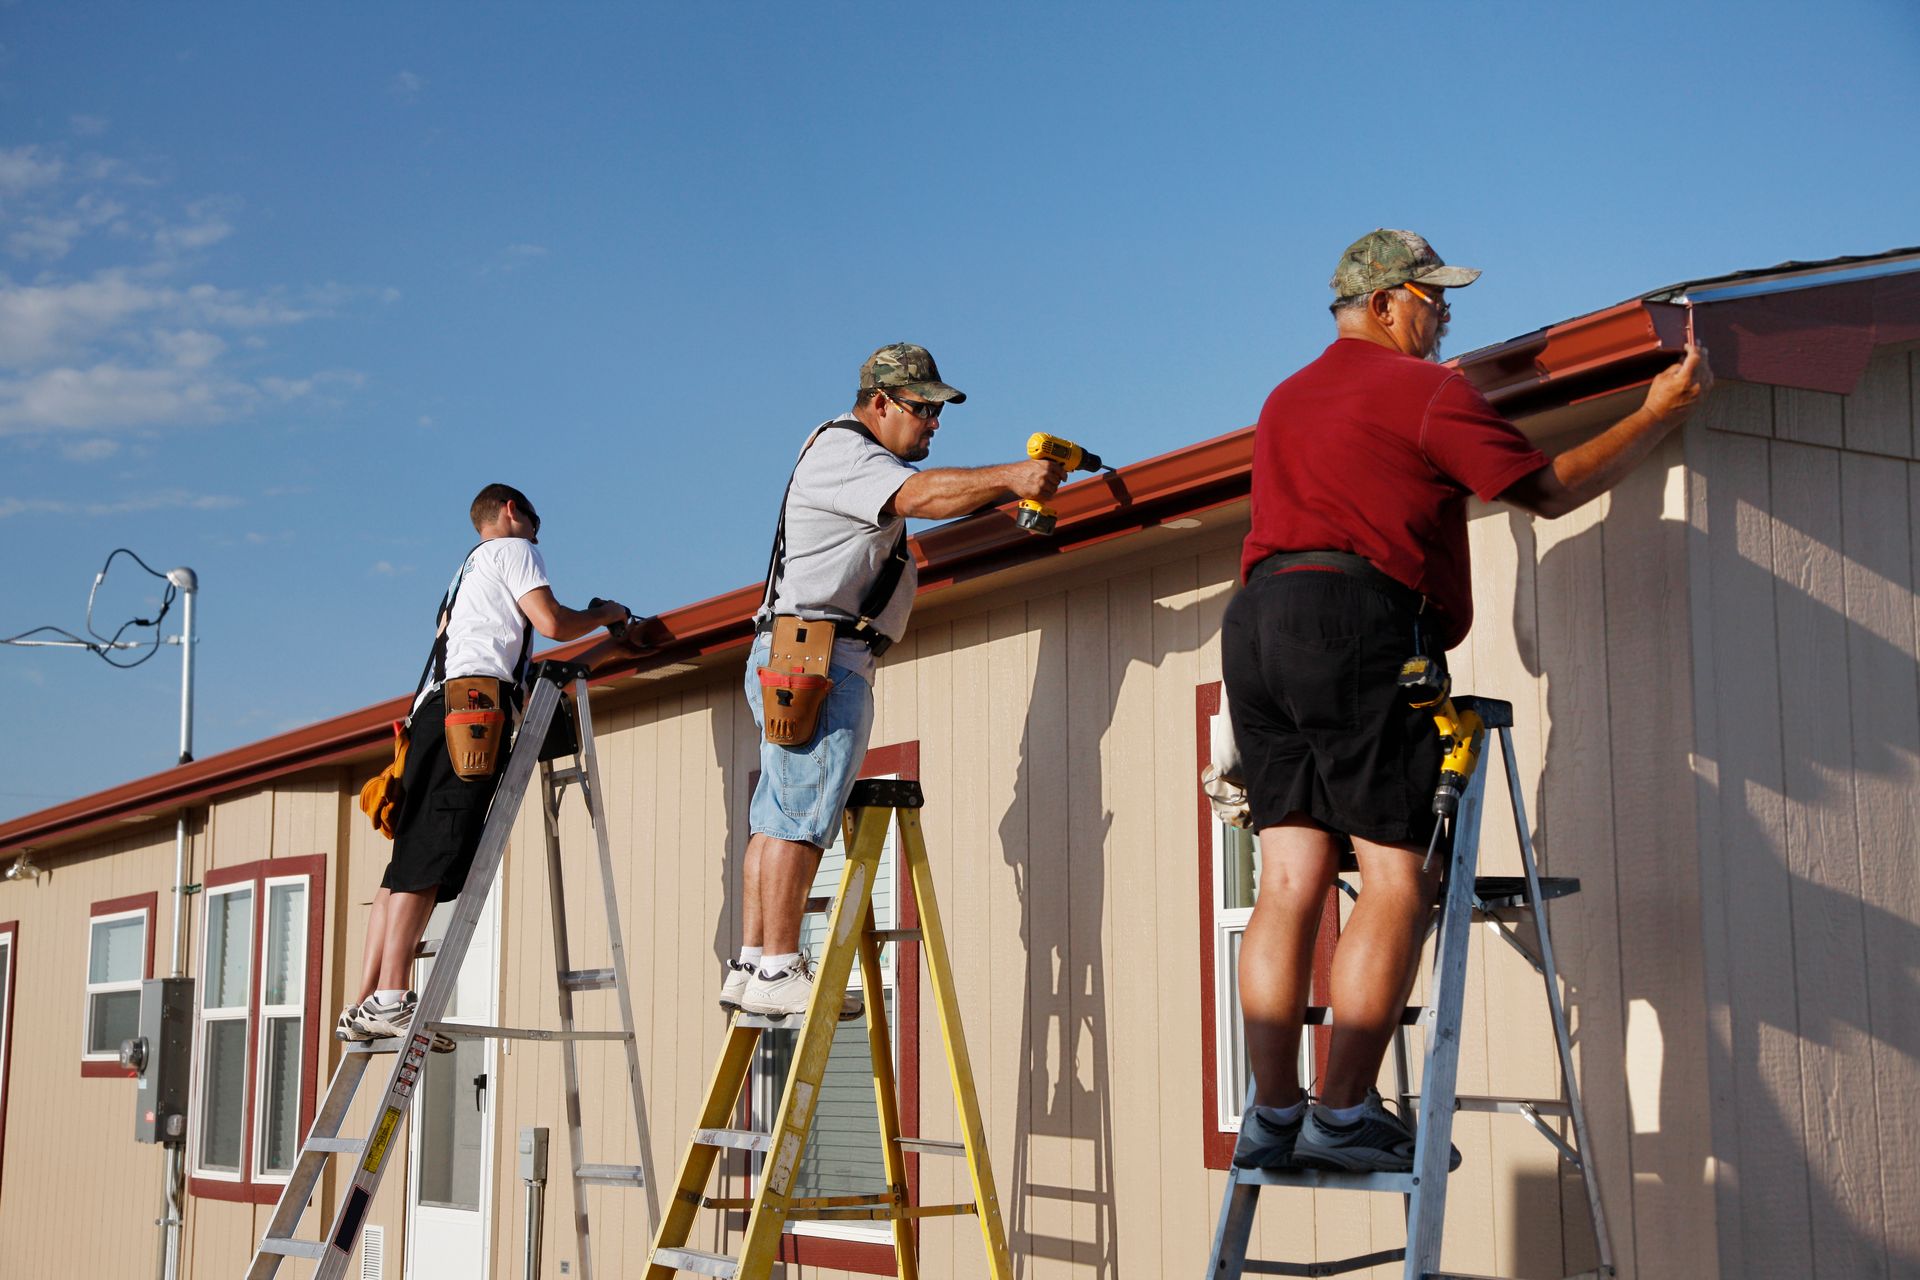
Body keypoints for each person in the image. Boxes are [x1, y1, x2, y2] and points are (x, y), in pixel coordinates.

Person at [1222, 229, 1712, 1171]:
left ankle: (1273, 1113)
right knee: (1401, 876)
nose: (1445, 316)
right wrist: (1656, 412)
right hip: (1355, 623)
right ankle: (1342, 1114)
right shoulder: (1425, 391)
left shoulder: (1284, 399)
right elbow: (1547, 489)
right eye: (1431, 298)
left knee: (1287, 883)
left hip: (1258, 626)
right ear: (1382, 304)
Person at [722, 343, 1065, 1019]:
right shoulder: (848, 452)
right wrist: (1018, 478)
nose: (933, 423)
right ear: (878, 402)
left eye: (938, 411)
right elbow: (924, 495)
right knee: (798, 820)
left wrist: (1003, 486)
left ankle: (753, 962)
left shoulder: (844, 455)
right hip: (821, 654)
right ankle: (778, 966)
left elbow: (924, 496)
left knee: (776, 819)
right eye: (922, 408)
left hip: (798, 650)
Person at [339, 483, 633, 1045]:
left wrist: (608, 647)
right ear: (510, 511)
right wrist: (604, 614)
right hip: (471, 716)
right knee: (431, 858)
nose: (537, 539)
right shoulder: (512, 549)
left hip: (434, 715)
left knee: (404, 867)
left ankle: (362, 1004)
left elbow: (527, 657)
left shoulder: (464, 577)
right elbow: (550, 622)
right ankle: (394, 998)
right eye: (535, 524)